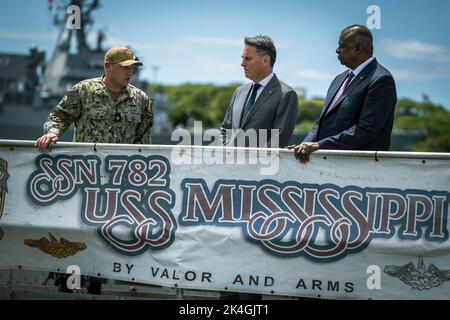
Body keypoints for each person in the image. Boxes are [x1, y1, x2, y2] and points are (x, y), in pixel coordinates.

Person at [288, 24, 397, 163]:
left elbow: (365, 130)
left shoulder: (381, 80)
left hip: (360, 170)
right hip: (326, 167)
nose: (337, 50)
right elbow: (322, 123)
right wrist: (304, 145)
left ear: (357, 48)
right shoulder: (338, 79)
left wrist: (319, 145)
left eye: (342, 45)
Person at [35, 47, 153, 151]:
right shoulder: (82, 90)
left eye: (131, 68)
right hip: (87, 168)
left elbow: (143, 139)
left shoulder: (141, 99)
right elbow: (60, 116)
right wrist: (52, 133)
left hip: (122, 171)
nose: (130, 72)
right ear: (107, 66)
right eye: (124, 67)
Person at [220, 35, 298, 148]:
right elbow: (224, 130)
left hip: (259, 165)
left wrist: (251, 163)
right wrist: (226, 156)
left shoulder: (286, 95)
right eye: (242, 58)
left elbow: (278, 141)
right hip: (229, 164)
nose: (242, 63)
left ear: (265, 60)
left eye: (247, 58)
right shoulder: (239, 92)